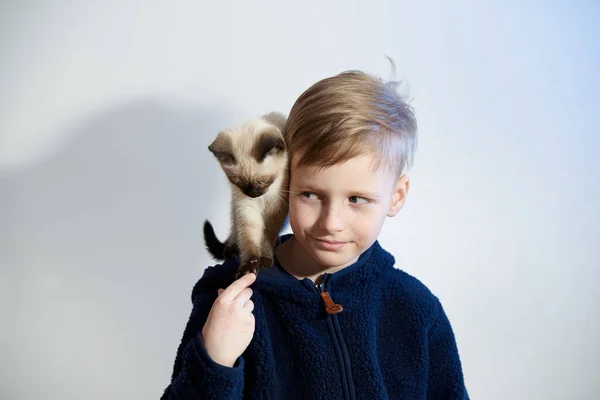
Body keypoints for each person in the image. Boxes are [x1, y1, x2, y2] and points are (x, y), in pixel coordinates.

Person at [160, 68, 469, 399]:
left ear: (396, 196)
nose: (331, 223)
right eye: (311, 195)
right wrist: (216, 360)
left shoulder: (416, 308)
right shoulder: (230, 298)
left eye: (357, 199)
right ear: (286, 181)